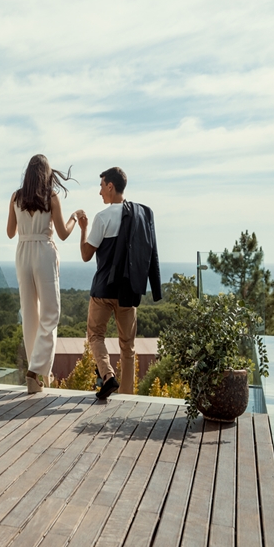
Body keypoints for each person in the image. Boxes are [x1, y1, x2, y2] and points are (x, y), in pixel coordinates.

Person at [78, 167, 162, 400]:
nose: (100, 192)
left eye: (102, 186)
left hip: (103, 290)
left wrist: (83, 229)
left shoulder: (102, 217)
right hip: (128, 290)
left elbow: (86, 254)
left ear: (111, 186)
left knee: (95, 335)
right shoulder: (142, 215)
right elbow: (152, 253)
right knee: (128, 346)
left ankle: (107, 376)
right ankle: (127, 396)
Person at [7, 155, 82, 394]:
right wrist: (74, 218)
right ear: (46, 174)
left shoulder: (16, 197)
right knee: (50, 314)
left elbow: (10, 233)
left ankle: (34, 375)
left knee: (30, 314)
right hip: (43, 253)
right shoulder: (51, 197)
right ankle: (35, 370)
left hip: (22, 253)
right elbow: (63, 233)